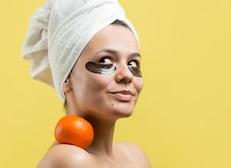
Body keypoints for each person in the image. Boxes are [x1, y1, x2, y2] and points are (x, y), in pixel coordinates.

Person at [21, 0, 151, 167]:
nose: (126, 74)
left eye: (133, 63)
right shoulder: (71, 159)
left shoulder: (135, 156)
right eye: (105, 61)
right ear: (66, 76)